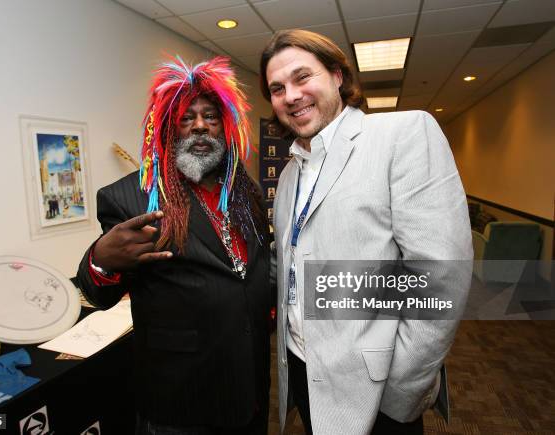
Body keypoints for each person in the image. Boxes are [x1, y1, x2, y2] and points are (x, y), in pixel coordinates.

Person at [260, 30, 472, 435]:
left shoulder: (401, 135)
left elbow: (440, 278)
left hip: (376, 389)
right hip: (303, 371)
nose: (291, 95)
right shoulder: (289, 174)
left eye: (303, 77)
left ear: (337, 76)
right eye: (277, 88)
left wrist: (397, 391)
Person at [76, 56, 272, 435]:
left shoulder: (245, 191)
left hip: (251, 388)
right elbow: (96, 293)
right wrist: (101, 260)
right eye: (186, 117)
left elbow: (250, 273)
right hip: (182, 403)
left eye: (210, 116)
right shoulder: (131, 197)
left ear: (225, 126)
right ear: (169, 128)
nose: (200, 125)